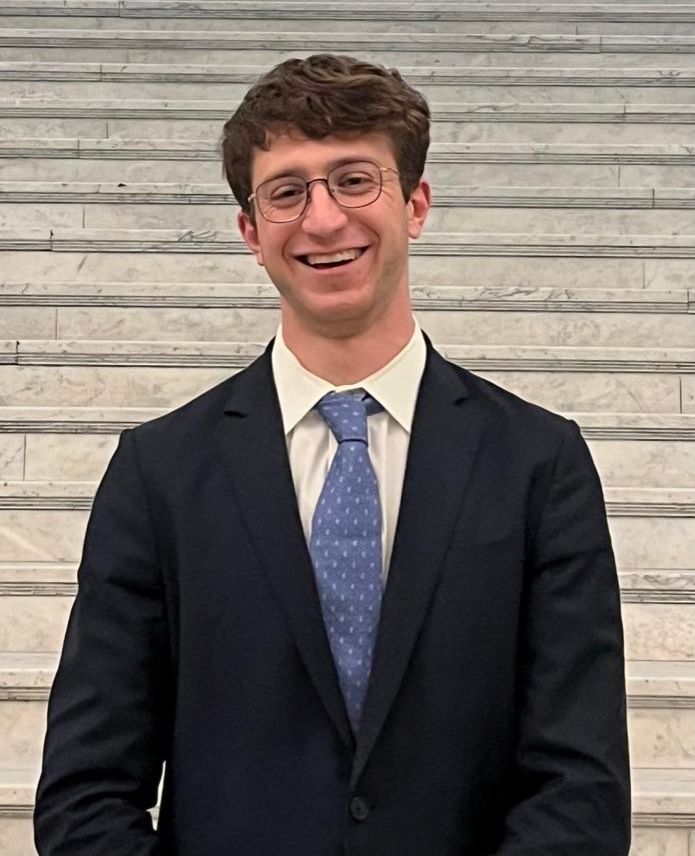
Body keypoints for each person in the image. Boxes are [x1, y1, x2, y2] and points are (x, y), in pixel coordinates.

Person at [34, 54, 631, 855]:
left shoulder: (538, 462)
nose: (322, 220)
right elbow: (86, 792)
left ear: (415, 204)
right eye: (286, 192)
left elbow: (579, 784)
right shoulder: (159, 472)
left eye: (354, 181)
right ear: (251, 233)